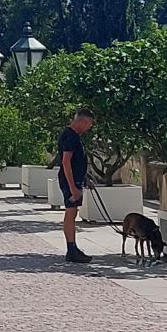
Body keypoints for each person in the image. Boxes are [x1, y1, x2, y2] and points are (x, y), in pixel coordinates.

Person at [58, 107, 96, 264]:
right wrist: (73, 187)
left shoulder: (74, 136)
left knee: (72, 213)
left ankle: (72, 248)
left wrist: (85, 179)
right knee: (70, 213)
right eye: (89, 124)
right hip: (70, 182)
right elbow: (66, 162)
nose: (89, 128)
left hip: (76, 180)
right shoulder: (70, 137)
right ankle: (71, 249)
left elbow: (76, 163)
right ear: (82, 121)